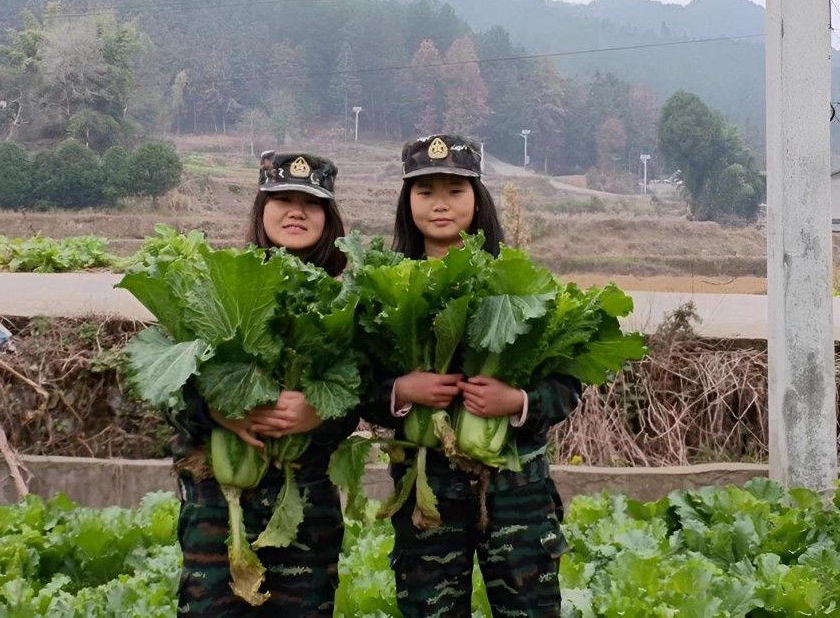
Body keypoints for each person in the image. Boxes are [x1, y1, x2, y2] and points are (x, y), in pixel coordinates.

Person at [376, 134, 580, 617]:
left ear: (478, 199)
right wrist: (401, 391)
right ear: (408, 203)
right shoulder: (384, 283)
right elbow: (357, 384)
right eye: (424, 192)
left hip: (518, 493)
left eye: (455, 191)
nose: (440, 205)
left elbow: (568, 387)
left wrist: (518, 402)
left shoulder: (518, 279)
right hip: (428, 496)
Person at [171, 150, 353, 617]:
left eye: (311, 203)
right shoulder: (217, 283)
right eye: (282, 198)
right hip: (216, 507)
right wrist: (214, 410)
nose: (296, 211)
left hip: (305, 510)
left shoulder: (346, 298)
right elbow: (168, 385)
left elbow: (362, 389)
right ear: (261, 208)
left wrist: (319, 411)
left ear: (329, 218)